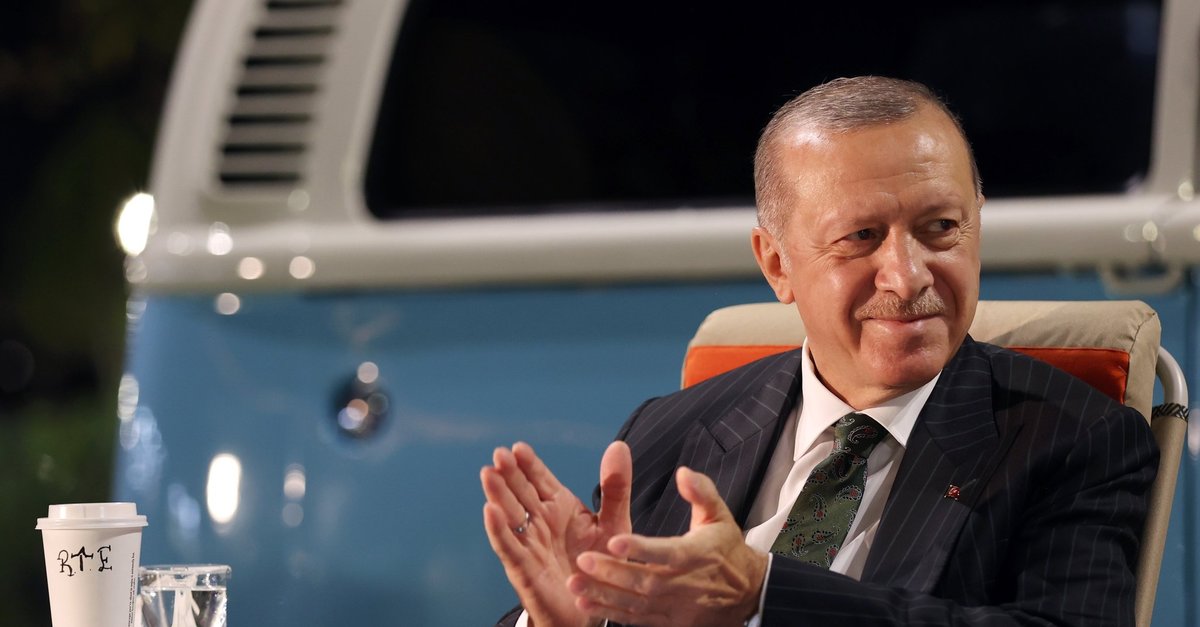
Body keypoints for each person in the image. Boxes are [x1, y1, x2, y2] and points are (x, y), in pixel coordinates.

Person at [480, 76, 1158, 627]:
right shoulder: (667, 433)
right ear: (777, 264)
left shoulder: (1074, 440)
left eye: (940, 227)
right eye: (861, 237)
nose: (907, 276)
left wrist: (763, 595)